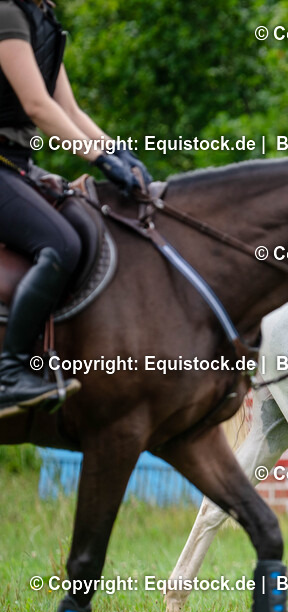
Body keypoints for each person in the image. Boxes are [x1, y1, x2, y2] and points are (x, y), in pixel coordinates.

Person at [0, 0, 148, 418]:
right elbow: (37, 107)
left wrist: (119, 151)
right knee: (60, 242)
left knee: (86, 221)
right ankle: (8, 372)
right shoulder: (7, 14)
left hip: (16, 163)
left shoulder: (43, 20)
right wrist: (100, 160)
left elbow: (69, 109)